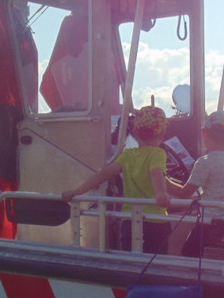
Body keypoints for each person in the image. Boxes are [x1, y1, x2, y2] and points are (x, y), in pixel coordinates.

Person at [61, 106, 172, 254]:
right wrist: (161, 193)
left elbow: (104, 174)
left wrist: (78, 191)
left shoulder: (127, 155)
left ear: (135, 132)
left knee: (130, 261)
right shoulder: (158, 153)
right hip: (155, 221)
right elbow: (156, 172)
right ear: (162, 134)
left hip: (129, 221)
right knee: (155, 263)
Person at [175, 112, 224, 256]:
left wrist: (165, 181)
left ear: (204, 133)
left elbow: (183, 194)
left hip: (209, 223)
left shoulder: (205, 162)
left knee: (188, 255)